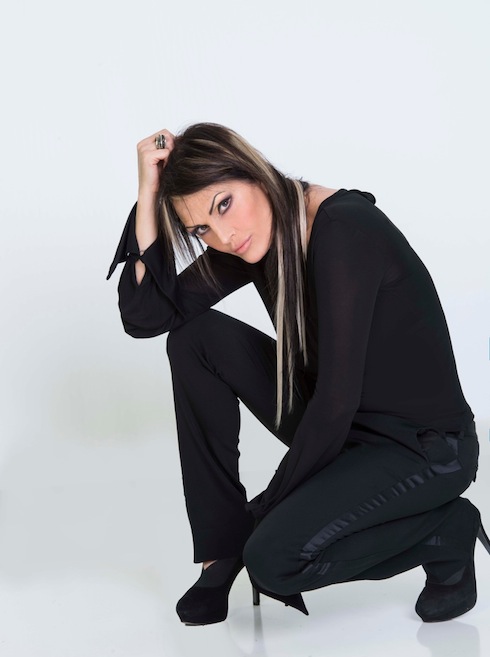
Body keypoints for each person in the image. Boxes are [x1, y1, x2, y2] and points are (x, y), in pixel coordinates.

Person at [107, 123, 489, 626]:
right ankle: (220, 551)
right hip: (345, 428)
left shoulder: (344, 229)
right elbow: (145, 317)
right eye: (201, 230)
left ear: (253, 171)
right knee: (193, 340)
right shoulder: (254, 239)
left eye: (224, 204)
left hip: (422, 449)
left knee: (273, 560)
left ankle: (444, 533)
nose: (224, 236)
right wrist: (148, 193)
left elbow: (336, 401)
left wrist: (266, 508)